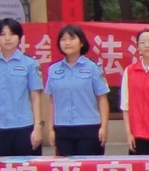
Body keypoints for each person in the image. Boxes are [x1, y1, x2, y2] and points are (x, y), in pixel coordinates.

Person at [0, 18, 44, 157]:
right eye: (3, 34)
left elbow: (35, 97)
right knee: (4, 168)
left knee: (27, 167)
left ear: (19, 37)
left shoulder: (30, 63)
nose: (7, 38)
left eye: (12, 34)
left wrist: (38, 126)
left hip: (24, 126)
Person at [45, 24, 110, 157]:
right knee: (66, 167)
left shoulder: (93, 67)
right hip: (62, 127)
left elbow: (102, 98)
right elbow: (52, 100)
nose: (67, 43)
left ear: (81, 42)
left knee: (88, 167)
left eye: (72, 38)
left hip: (89, 126)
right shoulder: (53, 69)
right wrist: (50, 128)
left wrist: (103, 127)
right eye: (63, 39)